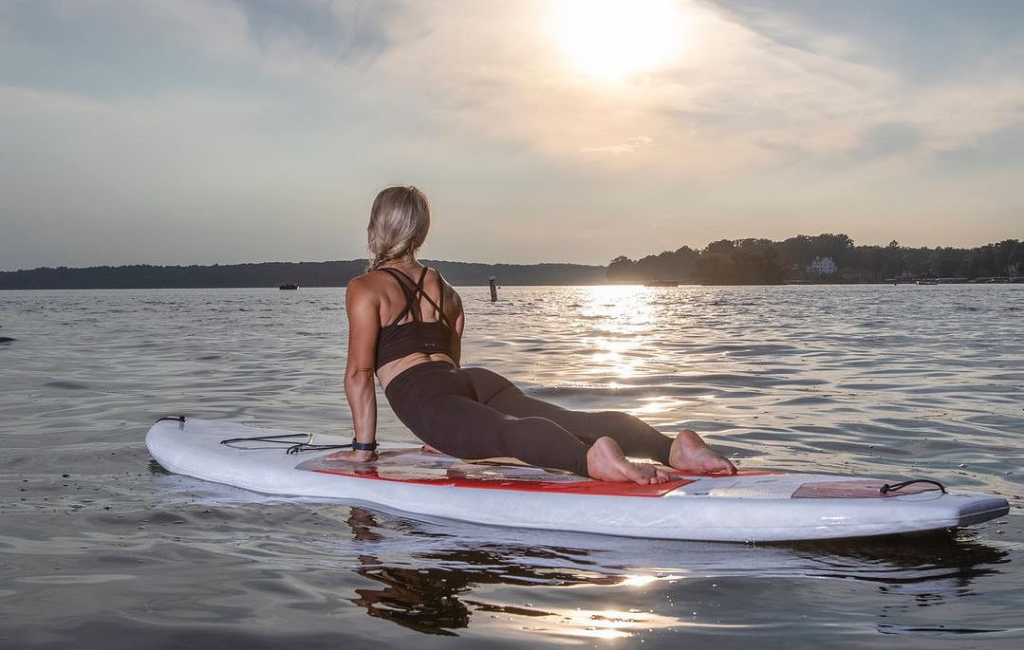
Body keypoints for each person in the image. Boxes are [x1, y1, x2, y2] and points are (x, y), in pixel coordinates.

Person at [324, 186, 736, 484]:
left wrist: (364, 450)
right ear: (421, 229)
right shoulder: (446, 291)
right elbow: (450, 366)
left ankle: (590, 460)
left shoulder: (366, 288)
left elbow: (360, 375)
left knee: (507, 433)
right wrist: (451, 434)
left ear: (378, 226)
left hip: (426, 396)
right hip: (472, 384)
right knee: (569, 418)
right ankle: (671, 447)